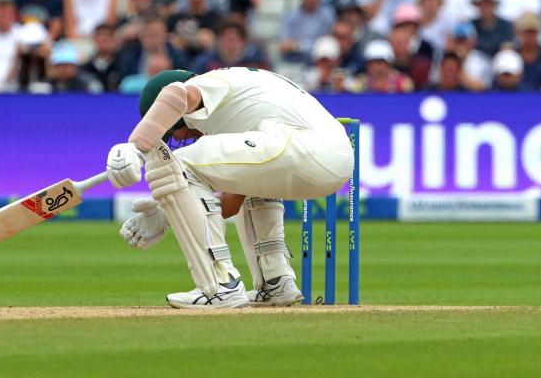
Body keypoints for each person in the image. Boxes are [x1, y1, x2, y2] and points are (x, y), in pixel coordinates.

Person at [105, 67, 354, 308]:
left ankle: (219, 286)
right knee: (246, 182)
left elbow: (177, 94)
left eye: (175, 129)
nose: (179, 138)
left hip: (301, 146)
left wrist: (136, 147)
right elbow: (231, 203)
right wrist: (168, 214)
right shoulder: (242, 105)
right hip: (335, 158)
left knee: (176, 164)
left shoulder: (209, 82)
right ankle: (276, 282)